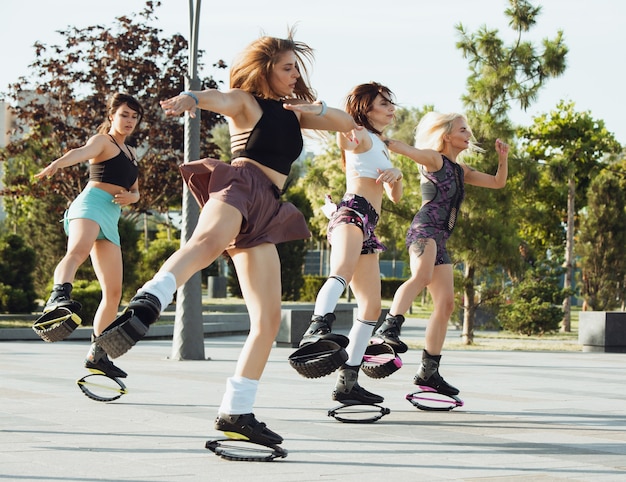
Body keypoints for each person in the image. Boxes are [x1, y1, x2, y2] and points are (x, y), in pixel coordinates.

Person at [97, 30, 355, 447]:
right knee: (206, 244)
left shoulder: (294, 113)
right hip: (240, 184)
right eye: (287, 67)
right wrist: (191, 99)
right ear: (266, 69)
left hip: (268, 207)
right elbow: (216, 97)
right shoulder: (246, 102)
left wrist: (315, 107)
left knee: (268, 320)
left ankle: (236, 411)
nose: (294, 74)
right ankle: (148, 301)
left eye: (296, 68)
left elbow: (346, 123)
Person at [374, 112, 509, 396]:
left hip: (441, 240)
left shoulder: (462, 171)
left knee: (446, 305)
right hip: (424, 231)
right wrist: (376, 138)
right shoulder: (435, 159)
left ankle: (429, 371)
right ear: (447, 135)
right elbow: (403, 148)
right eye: (463, 130)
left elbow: (498, 182)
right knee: (421, 276)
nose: (469, 134)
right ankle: (388, 328)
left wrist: (503, 156)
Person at [298, 82, 403, 405]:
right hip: (352, 214)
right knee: (341, 271)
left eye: (390, 103)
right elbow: (346, 134)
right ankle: (317, 328)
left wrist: (397, 175)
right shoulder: (360, 136)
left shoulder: (381, 145)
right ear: (365, 109)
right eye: (383, 104)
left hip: (369, 224)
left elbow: (395, 198)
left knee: (371, 306)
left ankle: (349, 380)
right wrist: (327, 112)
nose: (391, 109)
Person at [34, 93, 144, 379]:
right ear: (112, 116)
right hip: (91, 204)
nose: (129, 120)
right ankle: (58, 298)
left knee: (114, 291)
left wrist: (131, 197)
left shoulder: (131, 152)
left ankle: (98, 353)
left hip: (111, 216)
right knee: (78, 252)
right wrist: (58, 164)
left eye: (134, 116)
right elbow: (80, 153)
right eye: (124, 115)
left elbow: (135, 190)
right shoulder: (103, 142)